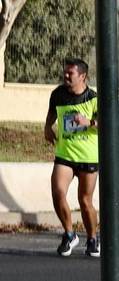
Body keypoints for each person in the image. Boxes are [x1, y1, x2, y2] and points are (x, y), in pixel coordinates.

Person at [46, 58, 99, 258]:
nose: (66, 76)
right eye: (65, 72)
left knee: (85, 201)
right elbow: (52, 112)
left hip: (88, 155)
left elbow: (108, 124)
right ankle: (70, 234)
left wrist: (88, 122)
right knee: (58, 192)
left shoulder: (94, 98)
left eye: (71, 73)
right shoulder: (58, 94)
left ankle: (93, 239)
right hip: (65, 154)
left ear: (83, 76)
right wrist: (47, 127)